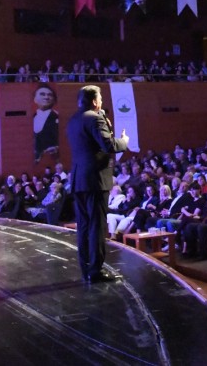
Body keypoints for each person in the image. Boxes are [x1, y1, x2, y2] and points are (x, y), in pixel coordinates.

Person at [66, 85, 129, 284]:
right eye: (100, 98)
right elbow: (108, 145)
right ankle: (96, 271)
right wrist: (124, 141)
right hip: (95, 180)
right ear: (94, 101)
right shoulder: (95, 118)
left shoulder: (73, 120)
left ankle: (86, 269)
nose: (101, 102)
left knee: (84, 226)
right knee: (96, 225)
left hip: (78, 179)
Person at [33, 84, 59, 162]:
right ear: (35, 99)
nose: (46, 97)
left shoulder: (58, 117)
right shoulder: (31, 117)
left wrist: (57, 148)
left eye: (49, 95)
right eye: (42, 94)